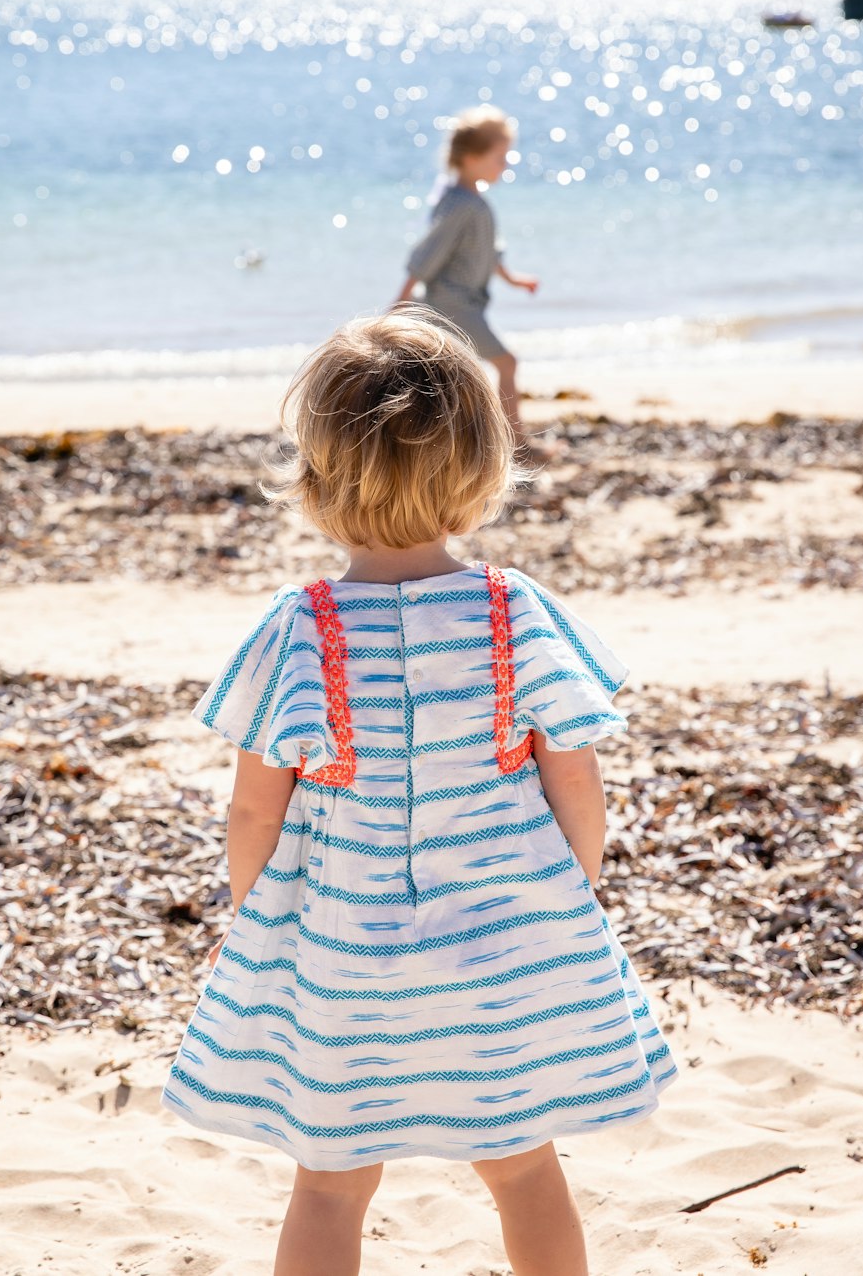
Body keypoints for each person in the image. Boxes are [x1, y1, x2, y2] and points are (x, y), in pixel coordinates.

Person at [160, 310, 677, 1276]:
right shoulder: (511, 610)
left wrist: (256, 913)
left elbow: (252, 809)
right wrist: (576, 890)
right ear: (483, 471)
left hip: (349, 955)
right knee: (523, 1168)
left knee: (330, 1180)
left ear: (315, 480)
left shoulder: (301, 626)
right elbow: (575, 776)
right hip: (500, 951)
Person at [396, 106, 539, 452]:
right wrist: (400, 301)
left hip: (461, 304)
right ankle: (515, 443)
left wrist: (512, 279)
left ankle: (458, 441)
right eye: (500, 158)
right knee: (505, 363)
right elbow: (428, 254)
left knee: (444, 377)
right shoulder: (463, 205)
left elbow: (489, 250)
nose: (504, 165)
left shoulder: (466, 199)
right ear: (473, 157)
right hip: (452, 305)